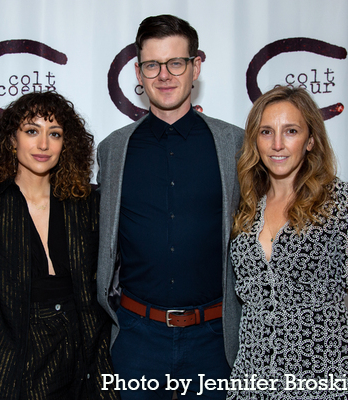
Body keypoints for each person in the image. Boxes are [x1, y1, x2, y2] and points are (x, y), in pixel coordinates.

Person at [97, 14, 244, 399]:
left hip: (214, 341)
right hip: (135, 339)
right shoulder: (113, 149)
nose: (164, 75)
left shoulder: (235, 145)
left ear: (196, 66)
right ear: (138, 72)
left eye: (176, 62)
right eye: (152, 65)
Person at [227, 86, 348, 399]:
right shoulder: (245, 208)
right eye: (266, 132)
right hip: (251, 385)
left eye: (291, 131)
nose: (277, 144)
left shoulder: (346, 204)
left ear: (310, 140)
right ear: (254, 141)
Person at [0, 91, 118, 399]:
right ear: (12, 139)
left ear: (66, 144)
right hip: (20, 361)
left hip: (88, 358)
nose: (44, 145)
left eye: (55, 134)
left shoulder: (87, 203)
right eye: (32, 131)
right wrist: (2, 355)